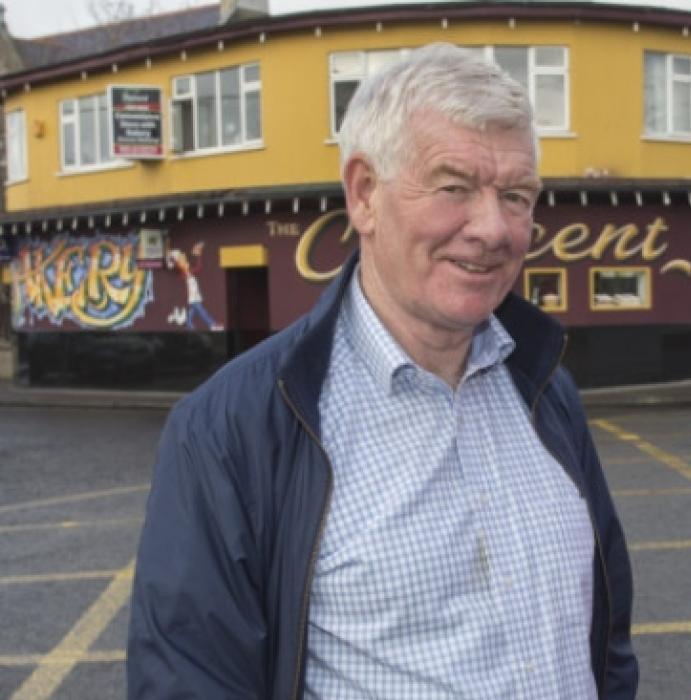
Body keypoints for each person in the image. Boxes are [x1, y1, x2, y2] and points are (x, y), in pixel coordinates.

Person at [128, 43, 637, 699]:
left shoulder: (547, 389)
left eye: (517, 196)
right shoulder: (229, 429)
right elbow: (189, 683)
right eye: (454, 187)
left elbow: (606, 641)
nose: (492, 228)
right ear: (364, 194)